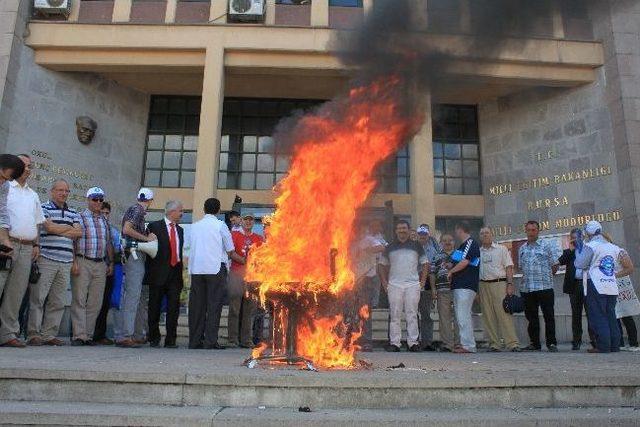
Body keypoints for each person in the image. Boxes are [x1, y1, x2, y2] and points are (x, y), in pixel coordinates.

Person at [27, 179, 82, 346]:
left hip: (65, 262)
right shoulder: (43, 208)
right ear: (52, 191)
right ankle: (33, 334)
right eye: (60, 190)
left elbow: (79, 233)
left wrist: (59, 228)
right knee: (38, 298)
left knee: (57, 301)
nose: (63, 193)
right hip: (46, 259)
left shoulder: (74, 211)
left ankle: (49, 335)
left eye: (66, 191)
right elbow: (48, 228)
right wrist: (68, 230)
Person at [0, 154, 44, 348]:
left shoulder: (33, 194)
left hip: (26, 248)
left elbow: (37, 223)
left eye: (29, 166)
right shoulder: (6, 187)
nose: (27, 169)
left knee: (15, 293)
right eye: (23, 165)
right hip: (6, 245)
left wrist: (36, 245)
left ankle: (8, 333)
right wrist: (5, 240)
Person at [188, 198, 244, 349]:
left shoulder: (194, 226)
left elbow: (190, 247)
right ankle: (210, 341)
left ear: (204, 209)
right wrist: (246, 261)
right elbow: (230, 250)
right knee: (214, 305)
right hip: (215, 269)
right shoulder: (220, 226)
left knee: (197, 306)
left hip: (197, 269)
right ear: (218, 210)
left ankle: (194, 341)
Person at [575, 221, 633, 353]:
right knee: (610, 315)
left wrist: (579, 248)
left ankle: (604, 346)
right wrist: (613, 275)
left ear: (588, 232)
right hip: (611, 285)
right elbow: (629, 266)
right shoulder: (614, 247)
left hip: (595, 283)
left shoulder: (590, 246)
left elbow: (580, 264)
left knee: (598, 315)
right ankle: (614, 345)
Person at [71, 187, 114, 346]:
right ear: (88, 200)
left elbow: (108, 242)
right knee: (80, 299)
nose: (98, 202)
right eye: (94, 199)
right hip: (83, 260)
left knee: (96, 302)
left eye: (100, 199)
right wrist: (74, 261)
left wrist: (110, 263)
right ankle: (78, 335)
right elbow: (73, 241)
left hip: (100, 263)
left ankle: (88, 335)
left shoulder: (105, 221)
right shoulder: (79, 217)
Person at [114, 188, 156, 348]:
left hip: (132, 255)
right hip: (134, 255)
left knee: (132, 296)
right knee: (132, 296)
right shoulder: (137, 210)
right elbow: (127, 229)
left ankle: (130, 333)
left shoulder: (135, 209)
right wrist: (146, 239)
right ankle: (125, 335)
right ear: (150, 200)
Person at [378, 220, 428, 352]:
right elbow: (381, 265)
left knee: (412, 313)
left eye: (404, 228)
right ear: (396, 231)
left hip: (412, 284)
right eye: (399, 228)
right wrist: (384, 282)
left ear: (408, 229)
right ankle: (395, 343)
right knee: (395, 314)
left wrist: (422, 282)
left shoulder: (417, 245)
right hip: (394, 284)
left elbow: (425, 264)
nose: (402, 230)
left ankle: (413, 343)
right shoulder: (389, 247)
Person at [145, 200, 185, 349]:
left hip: (175, 274)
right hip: (158, 274)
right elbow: (149, 249)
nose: (182, 213)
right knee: (154, 307)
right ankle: (154, 338)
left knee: (173, 308)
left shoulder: (180, 230)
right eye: (180, 210)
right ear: (171, 212)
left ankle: (171, 340)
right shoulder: (154, 226)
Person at [518, 220, 559, 352]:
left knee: (549, 316)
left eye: (533, 230)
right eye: (528, 230)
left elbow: (555, 265)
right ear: (526, 231)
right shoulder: (522, 248)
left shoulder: (546, 245)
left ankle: (551, 343)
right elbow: (521, 267)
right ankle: (535, 343)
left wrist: (546, 277)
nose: (531, 233)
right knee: (532, 318)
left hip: (545, 287)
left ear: (538, 231)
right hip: (528, 288)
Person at [478, 227, 520, 352]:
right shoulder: (478, 252)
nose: (485, 235)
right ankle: (494, 344)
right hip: (483, 285)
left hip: (499, 283)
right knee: (488, 316)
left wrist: (510, 284)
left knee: (504, 314)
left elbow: (509, 267)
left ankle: (512, 343)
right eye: (482, 233)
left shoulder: (501, 249)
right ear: (480, 236)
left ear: (492, 234)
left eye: (487, 233)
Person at [227, 214, 264, 348]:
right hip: (236, 274)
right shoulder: (234, 235)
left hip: (252, 276)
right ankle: (232, 339)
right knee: (235, 308)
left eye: (251, 220)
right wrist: (243, 260)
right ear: (241, 221)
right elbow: (230, 252)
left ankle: (246, 340)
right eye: (246, 219)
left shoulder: (258, 238)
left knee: (249, 310)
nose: (248, 222)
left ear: (254, 222)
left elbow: (262, 256)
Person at [349, 222, 384, 352]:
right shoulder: (348, 241)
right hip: (352, 281)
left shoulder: (369, 239)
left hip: (367, 279)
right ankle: (353, 339)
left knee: (365, 312)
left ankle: (367, 340)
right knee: (352, 312)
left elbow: (382, 248)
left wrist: (368, 250)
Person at [447, 221, 481, 354]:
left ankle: (468, 345)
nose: (455, 233)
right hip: (459, 285)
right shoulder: (461, 246)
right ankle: (465, 343)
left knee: (463, 315)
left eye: (456, 230)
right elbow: (454, 262)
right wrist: (449, 266)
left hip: (465, 285)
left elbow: (464, 262)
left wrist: (451, 272)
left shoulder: (470, 243)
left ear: (459, 229)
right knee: (461, 315)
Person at [93, 201, 122, 345]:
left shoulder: (113, 230)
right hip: (93, 266)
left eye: (107, 213)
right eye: (102, 212)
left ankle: (100, 334)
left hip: (108, 269)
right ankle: (87, 333)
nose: (105, 215)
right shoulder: (92, 226)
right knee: (92, 302)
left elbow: (118, 248)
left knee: (104, 303)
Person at [558, 228, 592, 351]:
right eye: (572, 237)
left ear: (582, 238)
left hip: (587, 283)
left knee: (590, 313)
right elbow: (560, 261)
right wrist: (571, 250)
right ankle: (576, 341)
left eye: (577, 237)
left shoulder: (589, 250)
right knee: (576, 314)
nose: (574, 239)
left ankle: (594, 340)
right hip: (574, 285)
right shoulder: (569, 252)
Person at [0, 153, 26, 290]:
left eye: (7, 180)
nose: (2, 182)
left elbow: (2, 214)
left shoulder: (4, 186)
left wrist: (5, 241)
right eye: (2, 177)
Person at [431, 233, 459, 352]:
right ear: (441, 243)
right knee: (444, 318)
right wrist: (433, 289)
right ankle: (447, 344)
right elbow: (432, 274)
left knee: (459, 317)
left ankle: (459, 343)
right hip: (442, 290)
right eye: (445, 240)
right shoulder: (436, 256)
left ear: (454, 241)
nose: (447, 242)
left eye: (450, 240)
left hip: (458, 290)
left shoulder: (460, 255)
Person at [417, 224, 440, 351]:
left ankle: (427, 342)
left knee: (426, 314)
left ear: (428, 235)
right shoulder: (413, 248)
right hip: (413, 282)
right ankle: (414, 341)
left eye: (424, 234)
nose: (422, 237)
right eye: (420, 234)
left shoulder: (434, 249)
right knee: (412, 314)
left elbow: (436, 265)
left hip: (427, 284)